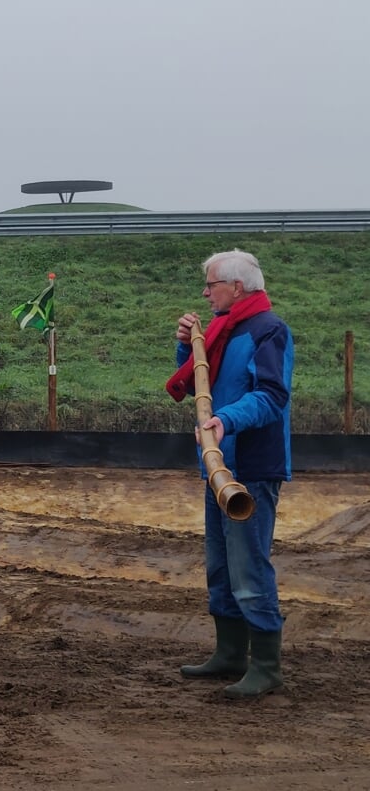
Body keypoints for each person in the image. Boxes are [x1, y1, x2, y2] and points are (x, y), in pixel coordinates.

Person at [168, 249, 293, 699]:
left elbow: (272, 396)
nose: (205, 292)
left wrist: (227, 420)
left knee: (248, 566)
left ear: (237, 287)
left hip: (252, 469)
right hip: (219, 464)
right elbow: (205, 379)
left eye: (211, 284)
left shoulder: (268, 330)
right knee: (221, 565)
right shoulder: (226, 329)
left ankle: (266, 665)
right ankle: (229, 653)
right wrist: (187, 346)